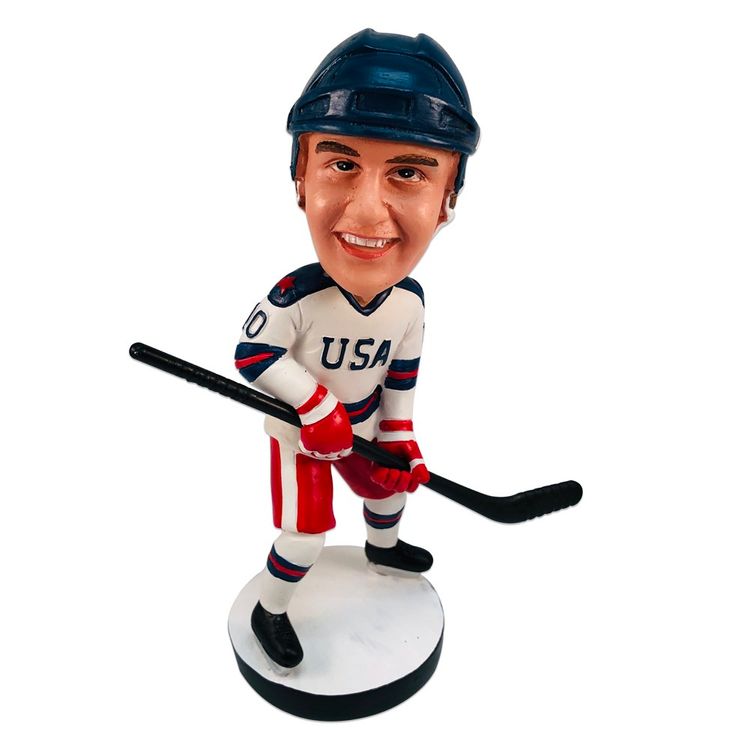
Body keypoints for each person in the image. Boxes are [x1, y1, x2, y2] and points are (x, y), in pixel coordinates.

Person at [234, 28, 480, 669]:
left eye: (408, 172)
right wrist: (315, 406)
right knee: (305, 535)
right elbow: (254, 354)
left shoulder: (410, 304)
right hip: (301, 436)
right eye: (341, 164)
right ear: (300, 177)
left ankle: (383, 548)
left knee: (390, 491)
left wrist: (400, 436)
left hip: (364, 425)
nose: (368, 214)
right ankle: (271, 608)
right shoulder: (297, 297)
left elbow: (401, 375)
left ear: (449, 197)